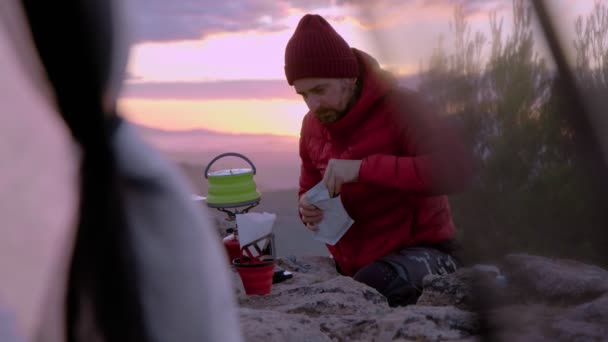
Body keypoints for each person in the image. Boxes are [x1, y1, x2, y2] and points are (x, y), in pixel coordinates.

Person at [285, 14, 473, 306]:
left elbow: (455, 170)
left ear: (349, 76)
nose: (313, 105)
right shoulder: (312, 126)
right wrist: (307, 208)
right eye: (304, 94)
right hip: (355, 266)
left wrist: (363, 169)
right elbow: (308, 189)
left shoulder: (404, 108)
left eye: (320, 90)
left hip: (425, 251)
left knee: (368, 289)